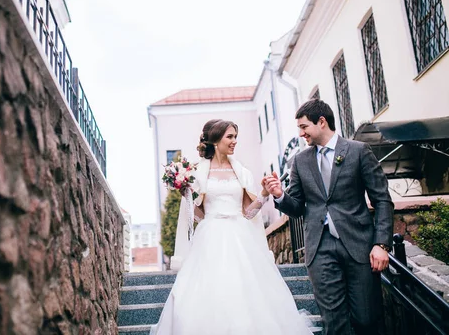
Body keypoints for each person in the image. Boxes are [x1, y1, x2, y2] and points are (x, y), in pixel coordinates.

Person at [151, 119, 313, 335]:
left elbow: (248, 213)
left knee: (247, 292)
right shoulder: (198, 172)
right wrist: (187, 196)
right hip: (210, 236)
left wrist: (264, 194)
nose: (235, 141)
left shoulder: (241, 172)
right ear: (216, 140)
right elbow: (199, 215)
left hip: (239, 235)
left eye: (236, 136)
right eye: (230, 136)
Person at [263, 99, 394, 335]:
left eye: (304, 127)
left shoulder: (358, 151)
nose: (301, 133)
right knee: (334, 323)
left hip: (359, 245)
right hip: (319, 248)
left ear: (321, 122)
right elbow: (296, 207)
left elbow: (382, 200)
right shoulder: (300, 162)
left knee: (367, 319)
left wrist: (381, 244)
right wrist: (280, 195)